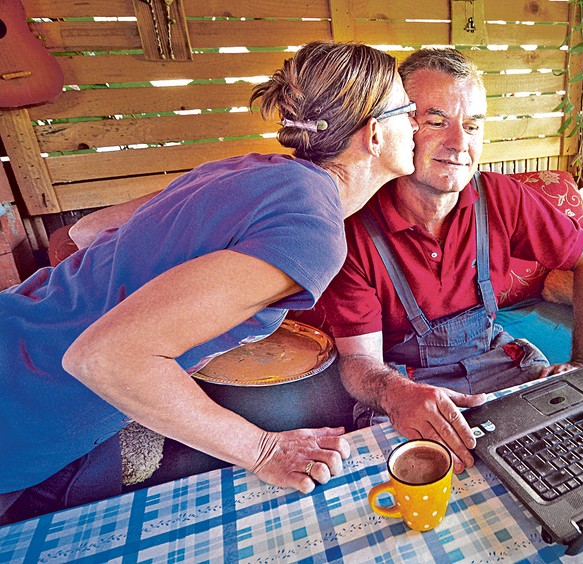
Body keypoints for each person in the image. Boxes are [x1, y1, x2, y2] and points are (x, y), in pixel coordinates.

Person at [0, 41, 418, 524]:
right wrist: (263, 450)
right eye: (406, 109)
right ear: (373, 135)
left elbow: (87, 231)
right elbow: (106, 356)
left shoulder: (248, 168)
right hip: (20, 405)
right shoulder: (313, 228)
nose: (414, 124)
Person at [314, 48, 583, 474]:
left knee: (578, 463)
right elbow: (360, 364)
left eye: (472, 126)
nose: (459, 144)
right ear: (398, 126)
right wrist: (397, 394)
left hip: (504, 368)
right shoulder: (354, 227)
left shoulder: (501, 198)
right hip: (408, 386)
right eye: (436, 122)